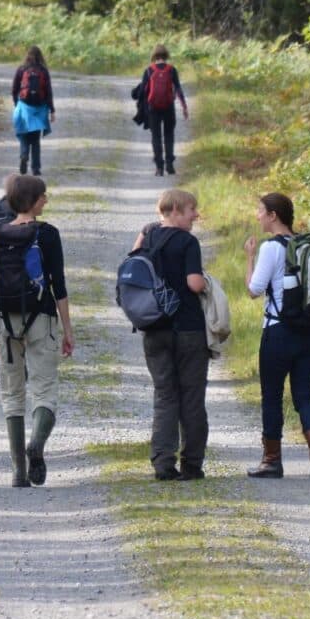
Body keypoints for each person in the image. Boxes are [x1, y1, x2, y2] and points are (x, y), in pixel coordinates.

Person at [0, 174, 74, 487]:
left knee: (12, 394)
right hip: (41, 319)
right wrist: (68, 330)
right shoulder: (48, 234)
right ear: (32, 201)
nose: (46, 200)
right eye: (43, 196)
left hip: (4, 322)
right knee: (45, 389)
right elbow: (58, 285)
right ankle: (37, 444)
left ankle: (19, 473)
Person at [243, 191, 310, 480]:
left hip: (278, 332)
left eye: (260, 210)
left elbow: (254, 290)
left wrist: (250, 257)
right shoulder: (308, 246)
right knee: (304, 395)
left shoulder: (271, 248)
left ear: (273, 215)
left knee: (272, 396)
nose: (257, 215)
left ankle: (271, 461)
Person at [131, 188, 209, 481]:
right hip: (187, 327)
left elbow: (133, 265)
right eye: (192, 210)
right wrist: (206, 282)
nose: (195, 215)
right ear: (175, 210)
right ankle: (191, 463)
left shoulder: (147, 237)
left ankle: (163, 462)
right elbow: (194, 283)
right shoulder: (187, 242)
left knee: (165, 395)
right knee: (191, 396)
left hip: (154, 328)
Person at [132, 45, 189, 176]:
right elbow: (178, 89)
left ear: (154, 56)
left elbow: (142, 92)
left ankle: (159, 167)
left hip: (153, 109)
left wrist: (141, 108)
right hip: (169, 107)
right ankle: (169, 164)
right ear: (166, 56)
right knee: (169, 135)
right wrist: (184, 107)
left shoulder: (149, 71)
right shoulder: (172, 70)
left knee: (156, 137)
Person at [11, 46, 55, 175]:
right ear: (40, 56)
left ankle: (24, 155)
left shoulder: (21, 69)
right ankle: (36, 168)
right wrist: (52, 110)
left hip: (24, 106)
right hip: (39, 108)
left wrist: (17, 104)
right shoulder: (43, 71)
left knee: (24, 134)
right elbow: (48, 92)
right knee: (35, 140)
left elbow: (14, 89)